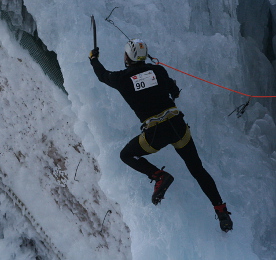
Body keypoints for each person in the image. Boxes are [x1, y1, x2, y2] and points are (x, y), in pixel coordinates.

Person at [89, 39, 233, 232]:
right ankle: (221, 211)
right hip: (177, 126)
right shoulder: (158, 71)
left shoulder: (122, 79)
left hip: (155, 133)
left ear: (127, 57)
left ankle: (159, 176)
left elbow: (102, 75)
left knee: (126, 155)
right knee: (197, 170)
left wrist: (94, 59)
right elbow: (174, 92)